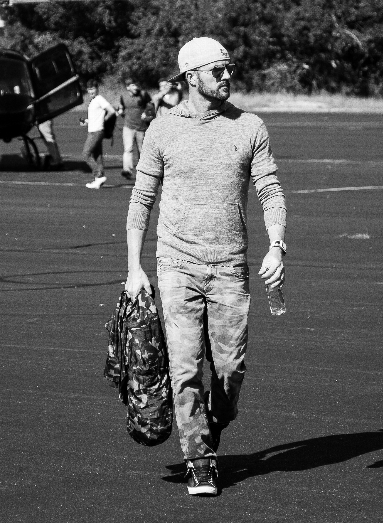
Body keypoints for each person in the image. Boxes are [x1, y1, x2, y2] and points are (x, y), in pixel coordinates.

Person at [124, 37, 287, 497]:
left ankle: (211, 423)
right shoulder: (161, 130)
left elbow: (269, 189)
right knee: (185, 367)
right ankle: (199, 458)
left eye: (229, 69)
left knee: (231, 370)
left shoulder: (250, 126)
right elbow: (141, 200)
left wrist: (276, 245)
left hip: (230, 267)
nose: (227, 77)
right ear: (191, 77)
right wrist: (135, 268)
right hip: (175, 264)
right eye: (217, 71)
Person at [81, 81, 117, 189]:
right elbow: (96, 116)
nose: (91, 91)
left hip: (96, 131)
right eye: (89, 89)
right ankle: (98, 180)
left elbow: (111, 111)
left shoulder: (99, 99)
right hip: (93, 129)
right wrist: (87, 121)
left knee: (85, 154)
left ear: (97, 89)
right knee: (97, 155)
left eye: (93, 88)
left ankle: (98, 175)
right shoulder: (93, 101)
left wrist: (103, 121)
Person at [117, 78, 154, 180]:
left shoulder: (143, 94)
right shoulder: (123, 97)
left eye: (136, 85)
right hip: (128, 127)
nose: (135, 87)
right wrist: (120, 111)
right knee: (128, 149)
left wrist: (146, 113)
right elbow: (122, 108)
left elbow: (151, 106)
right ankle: (127, 170)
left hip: (141, 127)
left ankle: (145, 173)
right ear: (128, 87)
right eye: (133, 85)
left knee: (142, 151)